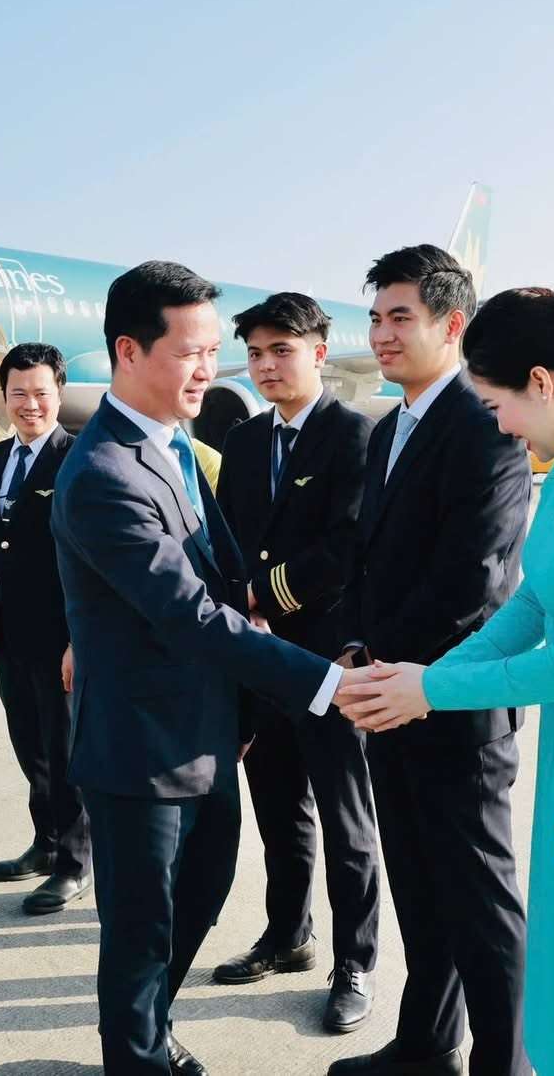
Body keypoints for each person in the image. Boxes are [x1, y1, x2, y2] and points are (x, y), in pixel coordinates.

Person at [339, 283, 554, 1076]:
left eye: (498, 404)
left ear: (541, 382)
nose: (499, 425)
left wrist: (429, 691)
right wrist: (425, 678)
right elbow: (533, 602)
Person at [53, 261, 377, 1075]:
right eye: (189, 352)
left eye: (211, 352)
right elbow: (192, 613)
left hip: (207, 734)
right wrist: (325, 682)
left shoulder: (173, 447)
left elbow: (231, 579)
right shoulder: (102, 474)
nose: (210, 369)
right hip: (141, 750)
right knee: (141, 934)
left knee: (195, 902)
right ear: (129, 351)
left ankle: (152, 1031)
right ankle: (136, 1056)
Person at [330, 245, 533, 1076]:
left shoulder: (487, 425)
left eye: (400, 317)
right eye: (375, 317)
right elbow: (368, 559)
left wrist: (391, 664)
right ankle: (426, 1044)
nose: (381, 333)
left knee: (481, 902)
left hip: (455, 700)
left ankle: (504, 1063)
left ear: (452, 325)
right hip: (390, 695)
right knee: (418, 886)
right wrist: (357, 647)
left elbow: (472, 580)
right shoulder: (390, 428)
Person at [211, 292, 381, 1034]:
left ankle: (357, 961)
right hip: (260, 657)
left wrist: (258, 596)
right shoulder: (246, 440)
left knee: (346, 820)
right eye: (255, 353)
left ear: (319, 351)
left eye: (282, 350)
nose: (266, 365)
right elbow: (228, 537)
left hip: (328, 660)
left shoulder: (355, 435)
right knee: (278, 809)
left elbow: (347, 547)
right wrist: (236, 609)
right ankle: (288, 934)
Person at [0, 343, 90, 914]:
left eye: (41, 392)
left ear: (59, 394)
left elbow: (87, 558)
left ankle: (75, 861)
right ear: (4, 396)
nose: (30, 404)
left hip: (59, 636)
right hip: (7, 633)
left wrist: (78, 639)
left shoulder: (79, 457)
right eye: (18, 393)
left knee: (64, 751)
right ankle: (45, 843)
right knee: (29, 747)